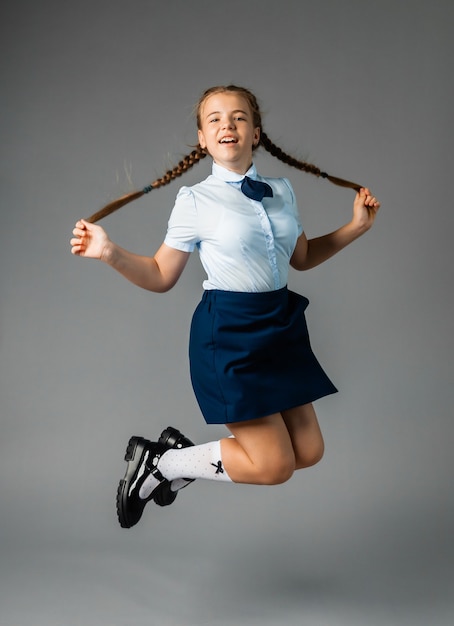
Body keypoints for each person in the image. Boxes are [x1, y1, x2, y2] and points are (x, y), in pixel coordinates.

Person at [70, 85, 380, 529]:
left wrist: (355, 228)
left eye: (238, 117)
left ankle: (171, 459)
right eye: (214, 119)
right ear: (201, 137)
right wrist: (108, 252)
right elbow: (160, 275)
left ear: (255, 132)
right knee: (274, 465)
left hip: (281, 327)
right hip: (230, 335)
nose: (226, 125)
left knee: (308, 452)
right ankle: (163, 465)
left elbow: (303, 257)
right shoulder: (195, 201)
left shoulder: (282, 190)